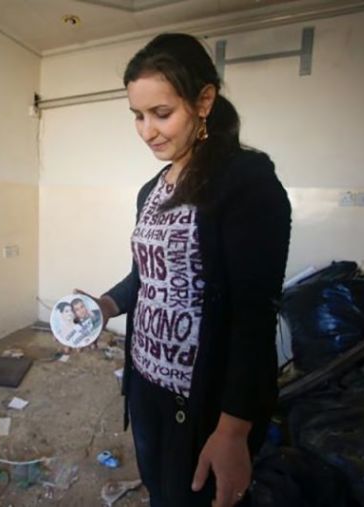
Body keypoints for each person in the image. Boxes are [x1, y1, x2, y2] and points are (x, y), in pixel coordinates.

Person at [83, 33, 291, 506]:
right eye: (137, 115)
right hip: (146, 385)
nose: (147, 131)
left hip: (202, 405)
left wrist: (234, 431)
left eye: (161, 113)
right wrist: (105, 305)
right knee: (162, 495)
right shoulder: (151, 189)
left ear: (204, 101)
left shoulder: (245, 182)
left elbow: (253, 317)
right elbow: (147, 274)